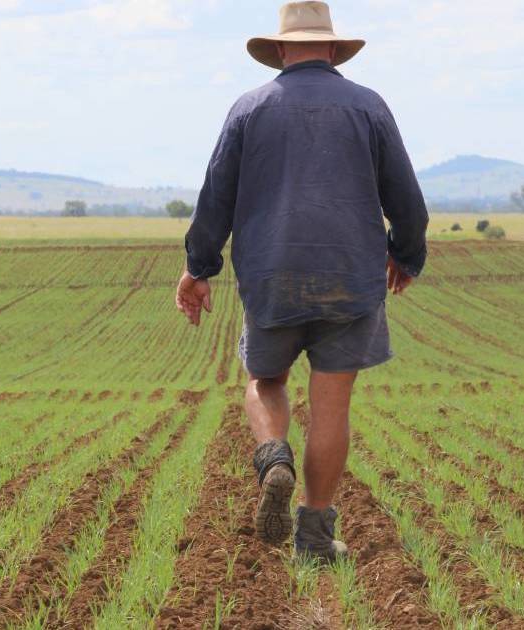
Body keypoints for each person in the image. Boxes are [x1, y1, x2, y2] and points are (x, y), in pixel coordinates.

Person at [174, 0, 428, 563]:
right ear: (335, 49)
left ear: (281, 50)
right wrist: (406, 256)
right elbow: (407, 200)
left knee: (265, 383)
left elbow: (215, 199)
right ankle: (314, 536)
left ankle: (274, 459)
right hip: (351, 279)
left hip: (271, 277)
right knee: (332, 407)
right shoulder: (369, 107)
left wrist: (199, 267)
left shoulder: (248, 109)